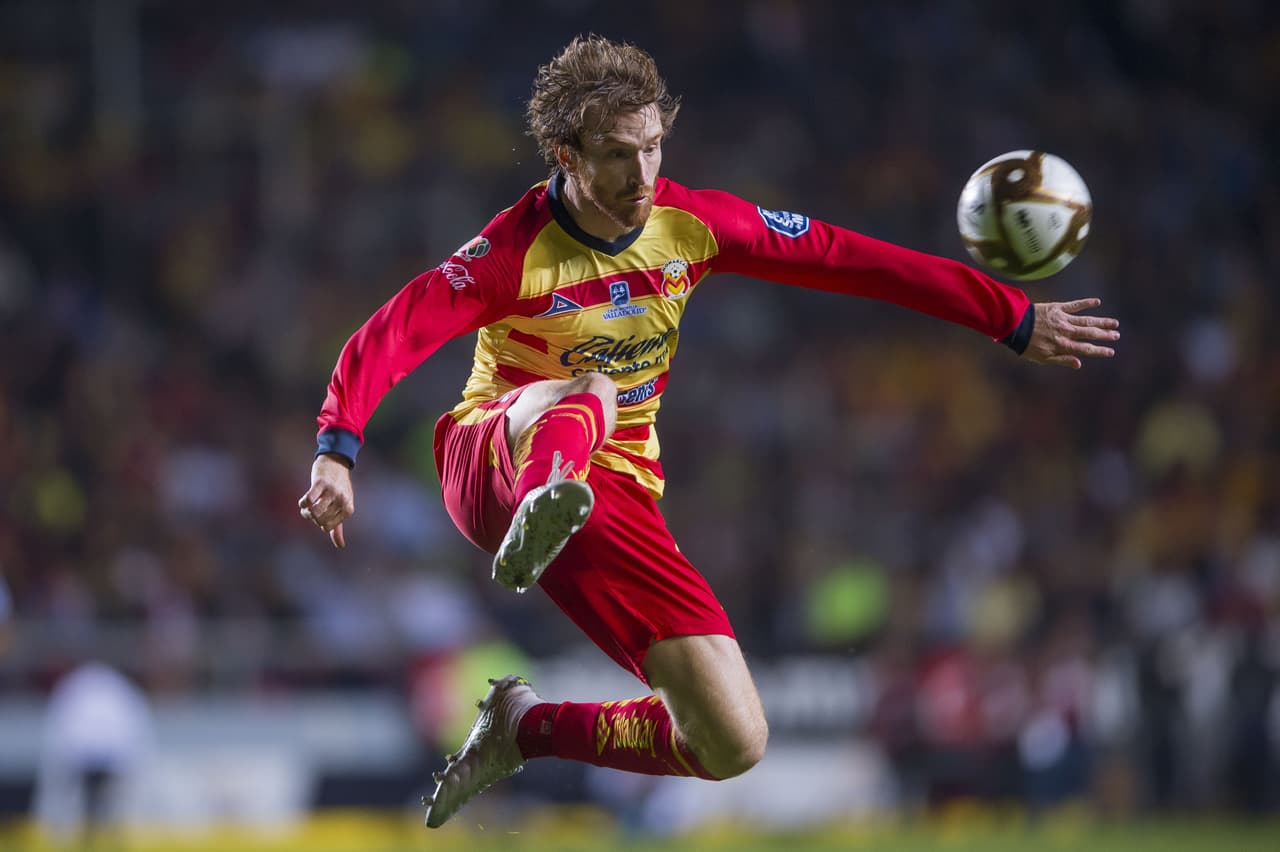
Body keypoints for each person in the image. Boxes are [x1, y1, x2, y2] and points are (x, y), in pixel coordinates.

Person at [297, 35, 1120, 828]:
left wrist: (1008, 315)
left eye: (653, 147)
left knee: (731, 740)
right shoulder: (509, 253)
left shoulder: (694, 226)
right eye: (618, 153)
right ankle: (550, 494)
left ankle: (523, 727)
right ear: (566, 155)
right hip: (493, 462)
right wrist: (339, 450)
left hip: (611, 497)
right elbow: (389, 333)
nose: (643, 173)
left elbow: (844, 256)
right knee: (591, 387)